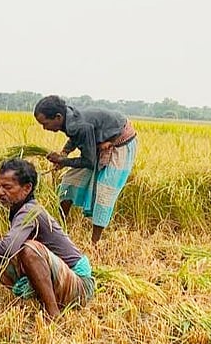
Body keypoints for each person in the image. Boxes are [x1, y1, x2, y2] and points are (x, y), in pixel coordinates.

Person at [0, 159, 94, 319]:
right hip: (64, 277)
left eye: (7, 187)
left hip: (79, 286)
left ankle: (53, 314)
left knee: (28, 250)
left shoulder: (29, 211)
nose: (0, 192)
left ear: (27, 188)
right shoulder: (23, 209)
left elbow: (7, 248)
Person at [34, 95, 138, 244]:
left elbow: (88, 161)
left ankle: (94, 243)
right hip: (100, 142)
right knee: (69, 182)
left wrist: (63, 161)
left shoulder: (78, 124)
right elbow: (75, 137)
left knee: (104, 192)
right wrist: (64, 153)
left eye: (45, 123)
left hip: (120, 141)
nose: (44, 128)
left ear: (58, 117)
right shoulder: (68, 118)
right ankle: (60, 231)